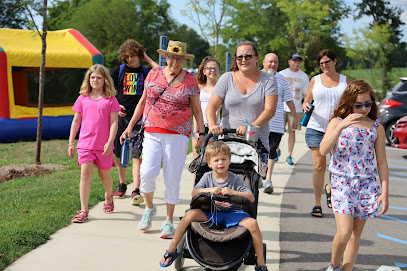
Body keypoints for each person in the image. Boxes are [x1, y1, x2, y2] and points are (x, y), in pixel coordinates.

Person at [120, 40, 205, 239]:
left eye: (179, 58)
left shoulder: (190, 80)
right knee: (146, 172)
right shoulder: (154, 73)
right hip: (151, 130)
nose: (175, 61)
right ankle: (150, 208)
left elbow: (197, 110)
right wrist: (131, 126)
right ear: (166, 57)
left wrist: (200, 133)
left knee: (172, 177)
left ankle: (168, 220)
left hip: (177, 135)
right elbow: (142, 101)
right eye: (172, 57)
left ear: (184, 59)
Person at [159, 141, 268, 271]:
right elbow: (195, 193)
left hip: (233, 214)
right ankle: (172, 249)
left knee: (253, 224)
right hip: (211, 213)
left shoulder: (235, 179)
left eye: (224, 159)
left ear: (229, 161)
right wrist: (210, 190)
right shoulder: (207, 177)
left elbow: (251, 197)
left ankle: (261, 263)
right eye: (216, 160)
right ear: (209, 164)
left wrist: (232, 192)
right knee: (189, 214)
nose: (220, 163)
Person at [319, 80, 389, 271]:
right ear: (349, 102)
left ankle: (346, 269)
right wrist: (342, 127)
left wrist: (385, 192)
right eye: (358, 104)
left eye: (368, 104)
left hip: (367, 185)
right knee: (344, 232)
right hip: (341, 182)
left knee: (355, 235)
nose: (364, 108)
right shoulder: (337, 122)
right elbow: (324, 150)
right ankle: (333, 266)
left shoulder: (376, 127)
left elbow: (381, 162)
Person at [68, 64, 121, 223]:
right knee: (85, 175)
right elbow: (76, 121)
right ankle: (84, 210)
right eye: (92, 77)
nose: (95, 80)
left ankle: (108, 195)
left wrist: (110, 141)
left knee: (104, 175)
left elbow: (114, 123)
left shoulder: (110, 100)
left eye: (98, 77)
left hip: (104, 145)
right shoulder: (82, 98)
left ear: (105, 79)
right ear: (88, 79)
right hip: (85, 144)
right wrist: (71, 142)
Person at [206, 41, 278, 155]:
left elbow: (270, 110)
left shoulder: (268, 80)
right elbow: (212, 106)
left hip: (256, 143)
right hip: (229, 143)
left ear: (257, 58)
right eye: (239, 57)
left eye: (248, 56)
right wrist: (212, 125)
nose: (243, 60)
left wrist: (250, 127)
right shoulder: (226, 78)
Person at [302, 49, 351, 217]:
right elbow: (306, 100)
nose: (324, 66)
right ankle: (317, 204)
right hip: (316, 127)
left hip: (338, 128)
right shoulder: (315, 80)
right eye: (321, 63)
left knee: (335, 165)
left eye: (327, 62)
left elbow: (352, 103)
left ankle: (330, 188)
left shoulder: (345, 81)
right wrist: (305, 105)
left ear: (335, 61)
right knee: (319, 165)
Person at [111, 39, 159, 205]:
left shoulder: (146, 71)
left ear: (139, 55)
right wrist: (116, 105)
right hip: (120, 117)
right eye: (127, 56)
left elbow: (160, 72)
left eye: (133, 55)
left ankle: (136, 189)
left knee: (136, 154)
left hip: (139, 118)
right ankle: (122, 184)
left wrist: (146, 57)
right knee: (119, 152)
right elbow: (109, 91)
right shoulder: (119, 70)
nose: (130, 59)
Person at [261, 53, 298, 194]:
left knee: (271, 150)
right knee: (258, 150)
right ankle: (258, 175)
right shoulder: (256, 77)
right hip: (259, 122)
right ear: (263, 62)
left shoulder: (282, 80)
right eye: (270, 62)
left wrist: (294, 116)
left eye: (275, 62)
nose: (272, 65)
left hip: (276, 123)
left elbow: (289, 100)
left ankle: (268, 180)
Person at [279, 53, 309, 165]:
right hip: (281, 108)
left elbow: (306, 95)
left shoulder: (304, 76)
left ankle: (289, 155)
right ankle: (276, 149)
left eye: (298, 61)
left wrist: (306, 105)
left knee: (292, 132)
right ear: (289, 62)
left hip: (296, 109)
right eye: (294, 60)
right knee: (278, 131)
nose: (297, 63)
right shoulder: (282, 74)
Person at [191, 56, 221, 160]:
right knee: (197, 161)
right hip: (199, 126)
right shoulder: (199, 88)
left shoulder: (220, 89)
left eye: (215, 68)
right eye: (210, 68)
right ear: (204, 71)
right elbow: (196, 109)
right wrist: (196, 130)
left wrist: (212, 128)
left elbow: (217, 109)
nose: (213, 70)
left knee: (211, 160)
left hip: (214, 128)